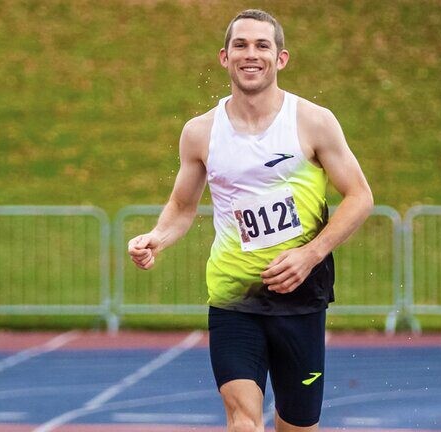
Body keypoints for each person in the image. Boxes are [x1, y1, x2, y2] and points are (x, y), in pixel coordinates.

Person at [128, 9, 373, 432]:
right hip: (233, 298)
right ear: (225, 57)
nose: (250, 54)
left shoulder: (313, 122)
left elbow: (360, 196)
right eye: (240, 45)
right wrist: (156, 237)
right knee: (242, 420)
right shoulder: (200, 132)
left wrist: (310, 254)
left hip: (300, 296)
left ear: (281, 58)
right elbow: (182, 207)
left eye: (262, 45)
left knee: (297, 426)